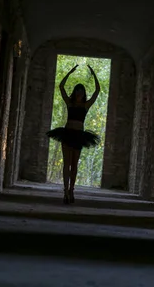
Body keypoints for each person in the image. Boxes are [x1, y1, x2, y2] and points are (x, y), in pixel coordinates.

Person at [46, 64, 101, 204]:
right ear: (75, 92)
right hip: (67, 134)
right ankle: (65, 191)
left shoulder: (86, 105)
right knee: (66, 164)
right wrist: (69, 72)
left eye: (81, 90)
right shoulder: (69, 103)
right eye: (77, 90)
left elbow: (97, 91)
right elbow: (61, 87)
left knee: (74, 165)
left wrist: (93, 74)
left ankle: (72, 189)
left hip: (79, 136)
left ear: (83, 93)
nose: (79, 92)